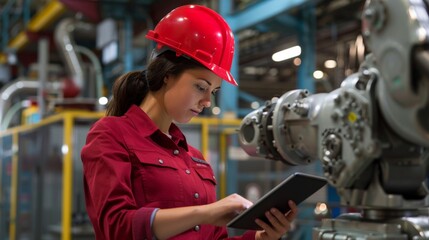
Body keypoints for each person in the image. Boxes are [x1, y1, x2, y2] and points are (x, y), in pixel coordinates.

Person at [81, 4, 298, 240]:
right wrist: (203, 213)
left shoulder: (194, 159)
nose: (207, 101)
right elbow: (116, 227)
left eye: (213, 91)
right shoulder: (111, 134)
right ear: (167, 74)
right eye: (201, 87)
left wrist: (260, 237)